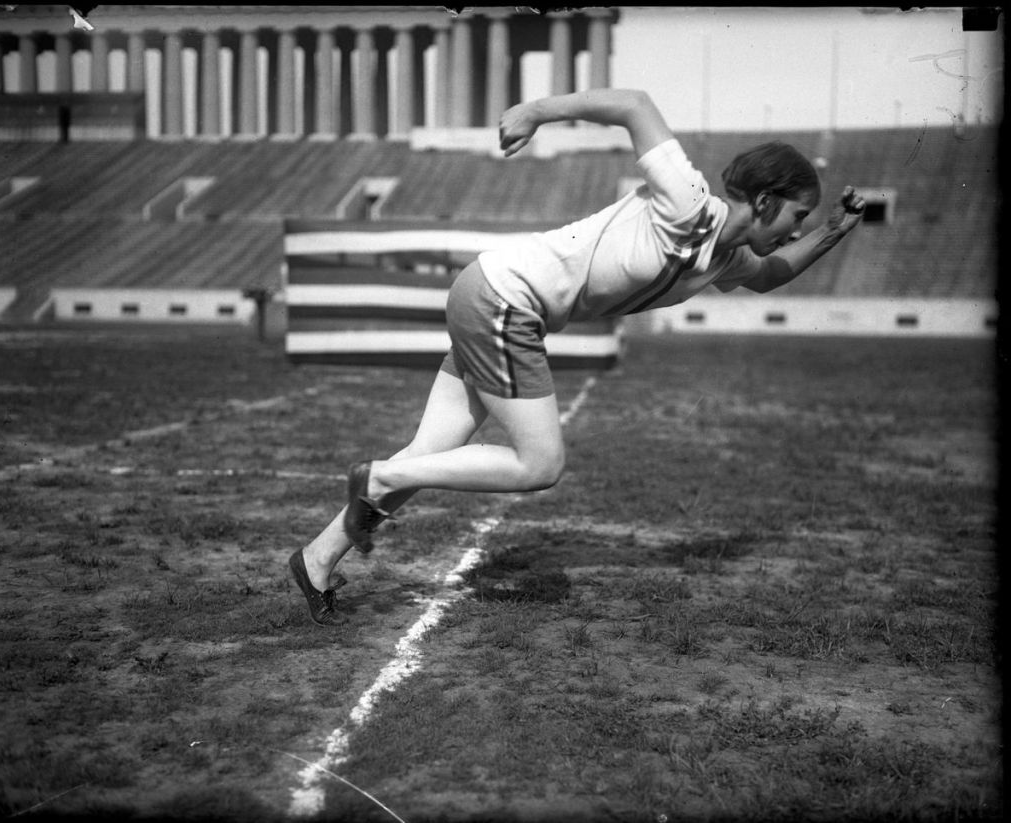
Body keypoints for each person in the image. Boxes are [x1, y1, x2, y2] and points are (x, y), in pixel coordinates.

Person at [289, 88, 866, 625]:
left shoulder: (726, 257)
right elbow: (635, 105)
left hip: (493, 295)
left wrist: (835, 232)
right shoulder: (689, 204)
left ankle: (316, 561)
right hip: (503, 300)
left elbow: (771, 277)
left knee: (430, 454)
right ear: (764, 201)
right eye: (797, 218)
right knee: (539, 464)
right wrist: (536, 112)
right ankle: (379, 474)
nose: (797, 232)